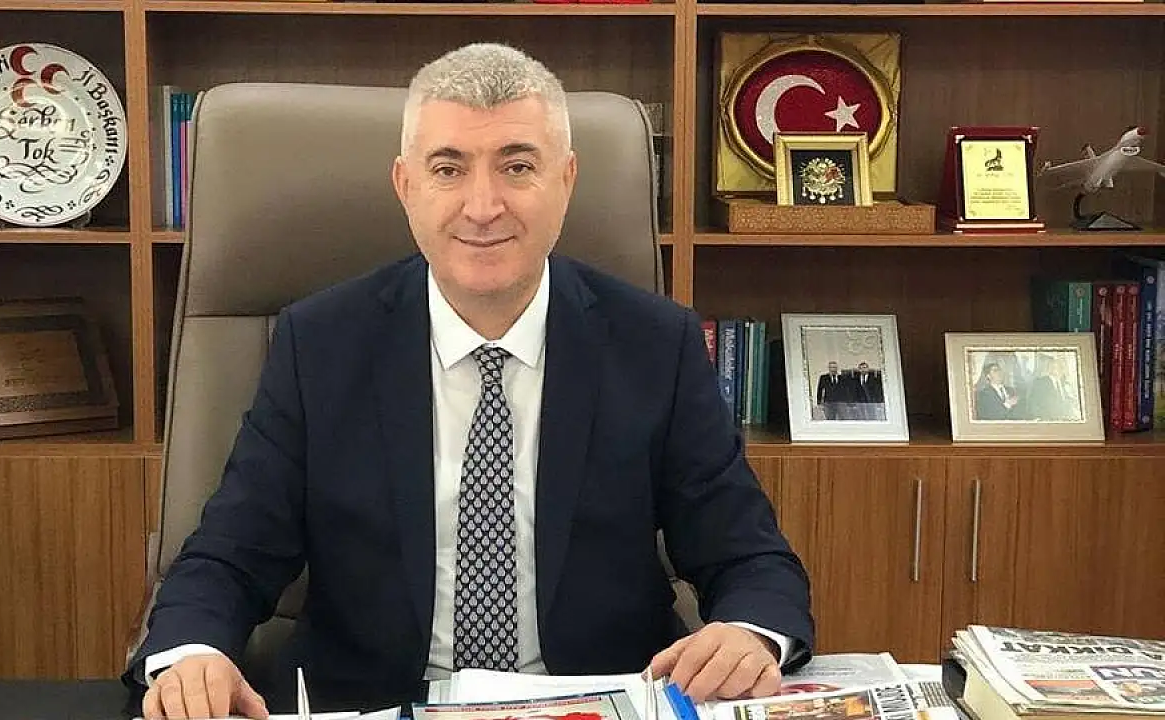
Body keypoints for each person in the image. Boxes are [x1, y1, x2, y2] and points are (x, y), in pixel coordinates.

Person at [127, 42, 813, 720]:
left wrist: (749, 633)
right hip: (376, 704)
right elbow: (228, 556)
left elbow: (750, 558)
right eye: (448, 169)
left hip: (597, 702)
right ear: (405, 185)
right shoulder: (320, 345)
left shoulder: (656, 344)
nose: (483, 207)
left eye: (517, 166)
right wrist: (193, 655)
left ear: (567, 179)